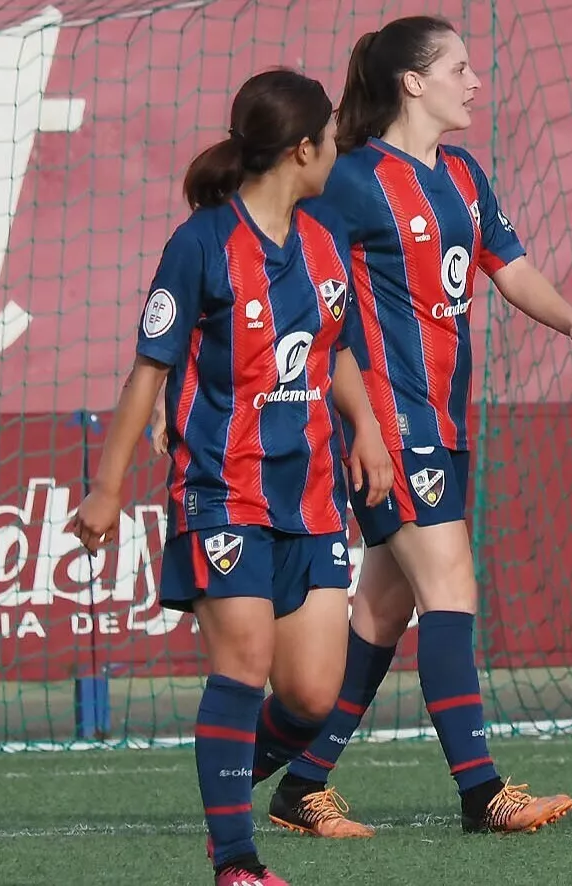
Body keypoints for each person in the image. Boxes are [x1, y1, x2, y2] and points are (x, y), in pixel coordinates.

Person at [266, 15, 572, 838]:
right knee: (450, 588)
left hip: (445, 421)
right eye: (459, 68)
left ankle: (287, 779)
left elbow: (509, 267)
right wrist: (355, 423)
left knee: (380, 617)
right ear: (412, 83)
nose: (475, 82)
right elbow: (312, 297)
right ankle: (481, 792)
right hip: (388, 420)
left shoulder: (461, 173)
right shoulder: (352, 180)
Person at [68, 69, 393, 886]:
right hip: (222, 491)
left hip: (311, 498)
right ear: (302, 149)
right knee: (243, 665)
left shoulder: (324, 239)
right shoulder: (201, 244)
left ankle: (225, 787)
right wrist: (107, 487)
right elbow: (148, 371)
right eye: (330, 139)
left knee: (313, 696)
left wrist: (367, 431)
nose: (337, 152)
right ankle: (236, 860)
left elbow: (335, 347)